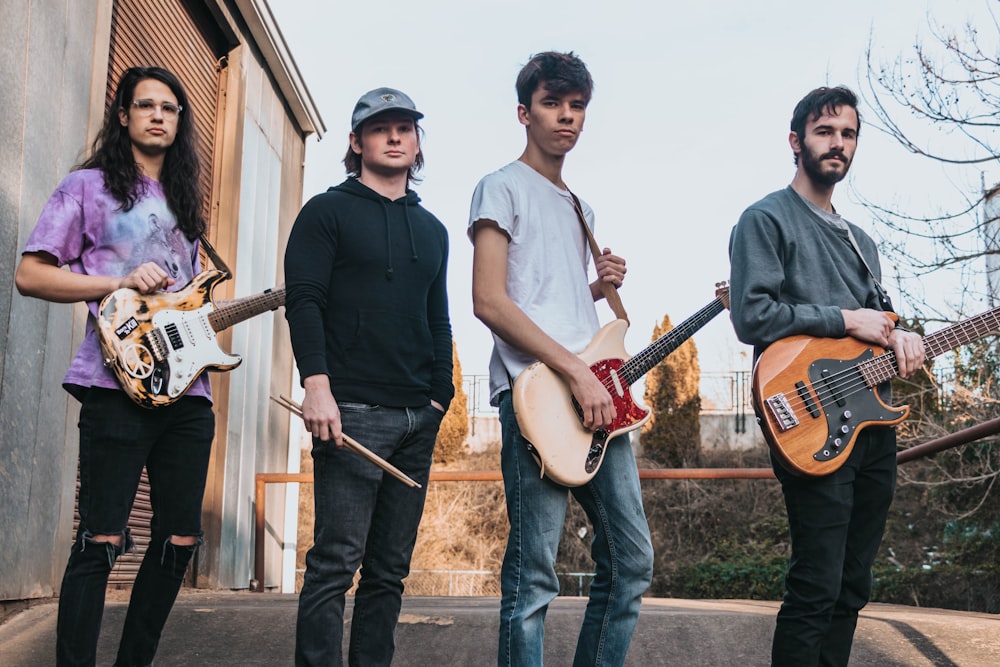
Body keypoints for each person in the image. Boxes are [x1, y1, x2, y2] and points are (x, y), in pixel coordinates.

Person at [14, 66, 215, 667]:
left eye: (170, 108)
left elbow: (183, 303)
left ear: (179, 123)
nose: (159, 115)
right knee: (102, 537)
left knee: (179, 539)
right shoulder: (86, 187)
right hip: (114, 384)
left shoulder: (185, 204)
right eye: (146, 105)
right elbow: (30, 274)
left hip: (189, 392)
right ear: (123, 116)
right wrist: (114, 280)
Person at [728, 86, 926, 667]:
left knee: (852, 586)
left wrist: (902, 337)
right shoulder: (765, 220)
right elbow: (752, 315)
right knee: (816, 585)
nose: (837, 144)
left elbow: (877, 326)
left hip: (872, 423)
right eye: (824, 132)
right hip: (810, 421)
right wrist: (844, 317)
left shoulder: (862, 243)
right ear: (796, 142)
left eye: (848, 134)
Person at [469, 51, 654, 666]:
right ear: (524, 113)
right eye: (552, 104)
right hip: (536, 396)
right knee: (533, 578)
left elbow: (553, 299)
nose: (566, 118)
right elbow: (491, 300)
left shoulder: (581, 207)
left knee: (631, 561)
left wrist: (598, 286)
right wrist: (575, 372)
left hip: (595, 396)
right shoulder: (500, 187)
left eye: (577, 107)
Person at [285, 87, 453, 667]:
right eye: (380, 127)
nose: (395, 135)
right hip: (350, 410)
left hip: (417, 418)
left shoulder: (433, 230)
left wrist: (440, 399)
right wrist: (317, 384)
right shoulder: (326, 212)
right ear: (356, 142)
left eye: (405, 127)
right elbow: (303, 300)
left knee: (389, 572)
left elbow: (440, 318)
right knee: (335, 562)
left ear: (416, 142)